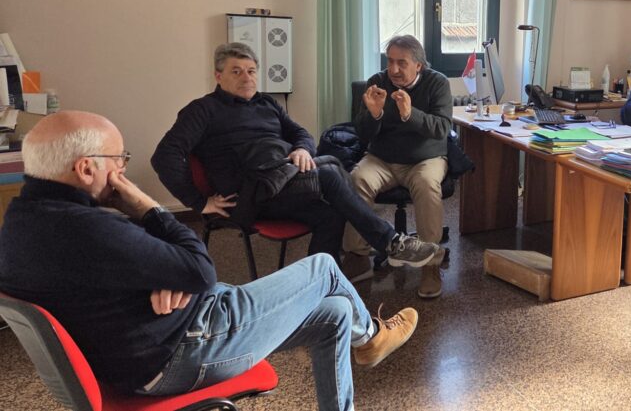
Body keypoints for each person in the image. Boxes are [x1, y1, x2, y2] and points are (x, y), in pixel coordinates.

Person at [0, 111, 418, 410]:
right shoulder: (89, 228)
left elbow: (136, 267)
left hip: (150, 345)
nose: (123, 173)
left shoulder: (22, 221)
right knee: (324, 267)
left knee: (336, 313)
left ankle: (359, 343)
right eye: (119, 160)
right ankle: (372, 338)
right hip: (184, 352)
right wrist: (148, 207)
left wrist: (170, 275)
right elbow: (201, 269)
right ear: (86, 168)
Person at [151, 42, 439, 274]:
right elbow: (164, 156)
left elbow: (301, 133)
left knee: (331, 212)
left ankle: (320, 285)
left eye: (251, 71)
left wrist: (302, 149)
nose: (246, 78)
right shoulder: (202, 110)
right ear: (218, 76)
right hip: (248, 194)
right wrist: (199, 202)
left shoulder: (266, 103)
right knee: (330, 174)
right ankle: (391, 242)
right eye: (236, 71)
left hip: (282, 183)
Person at [342, 35, 452, 299]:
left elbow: (442, 128)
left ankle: (430, 264)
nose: (394, 69)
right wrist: (374, 114)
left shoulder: (437, 83)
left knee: (427, 184)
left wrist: (409, 114)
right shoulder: (377, 82)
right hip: (383, 159)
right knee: (357, 179)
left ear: (418, 65)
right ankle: (357, 257)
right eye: (390, 61)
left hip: (425, 158)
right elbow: (362, 133)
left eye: (402, 63)